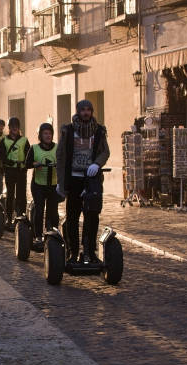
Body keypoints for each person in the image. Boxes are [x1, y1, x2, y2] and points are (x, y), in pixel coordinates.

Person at [56, 100, 110, 264]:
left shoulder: (99, 131)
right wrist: (60, 182)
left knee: (92, 216)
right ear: (78, 111)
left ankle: (89, 251)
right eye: (83, 110)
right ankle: (72, 252)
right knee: (72, 217)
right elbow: (60, 155)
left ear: (92, 112)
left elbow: (105, 152)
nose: (86, 113)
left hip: (91, 180)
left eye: (89, 110)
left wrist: (97, 164)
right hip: (73, 179)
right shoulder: (68, 130)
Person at [26, 123, 60, 245]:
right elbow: (27, 163)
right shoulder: (34, 148)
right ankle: (38, 236)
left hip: (53, 184)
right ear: (40, 135)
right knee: (39, 210)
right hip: (38, 185)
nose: (48, 136)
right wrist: (35, 164)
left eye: (50, 133)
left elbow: (63, 161)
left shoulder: (57, 148)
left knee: (53, 211)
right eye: (45, 133)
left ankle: (52, 233)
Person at [0, 117, 29, 228]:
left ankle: (21, 217)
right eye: (12, 126)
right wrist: (8, 162)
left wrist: (25, 164)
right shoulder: (4, 141)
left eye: (16, 126)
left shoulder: (24, 140)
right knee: (10, 195)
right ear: (9, 127)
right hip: (10, 171)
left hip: (21, 171)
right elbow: (1, 156)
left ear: (18, 127)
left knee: (21, 195)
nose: (14, 128)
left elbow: (28, 155)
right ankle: (9, 218)